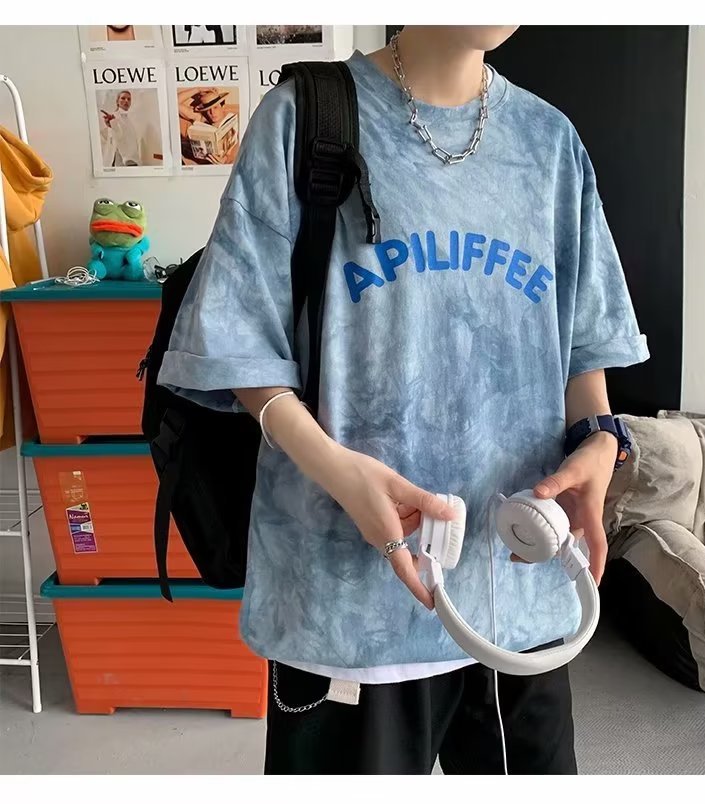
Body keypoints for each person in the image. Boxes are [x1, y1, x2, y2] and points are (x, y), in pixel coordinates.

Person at [159, 25, 649, 774]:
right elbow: (237, 342)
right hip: (349, 603)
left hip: (519, 586)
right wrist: (339, 471)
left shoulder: (549, 143)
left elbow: (583, 348)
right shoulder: (302, 120)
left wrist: (600, 442)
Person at [177, 88, 239, 166]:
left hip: (224, 163)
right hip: (201, 162)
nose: (212, 113)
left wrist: (226, 160)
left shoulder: (233, 120)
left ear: (222, 106)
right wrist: (198, 89)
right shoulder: (201, 118)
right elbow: (175, 102)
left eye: (215, 107)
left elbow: (237, 147)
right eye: (208, 109)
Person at [100, 90, 140, 167]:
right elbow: (116, 137)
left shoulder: (129, 119)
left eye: (129, 99)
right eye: (123, 98)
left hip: (132, 159)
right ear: (117, 101)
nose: (126, 101)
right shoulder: (113, 117)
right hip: (121, 159)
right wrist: (111, 125)